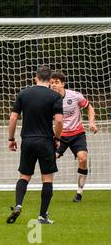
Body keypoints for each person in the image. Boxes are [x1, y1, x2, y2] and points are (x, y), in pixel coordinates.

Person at [7, 65, 63, 224]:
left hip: (28, 140)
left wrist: (11, 139)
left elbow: (13, 118)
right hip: (46, 141)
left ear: (35, 78)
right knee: (47, 178)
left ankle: (18, 205)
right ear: (51, 80)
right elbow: (59, 120)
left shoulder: (24, 94)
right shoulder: (55, 96)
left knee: (24, 176)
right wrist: (57, 138)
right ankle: (42, 215)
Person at [50, 70, 98, 202]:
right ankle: (48, 190)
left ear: (63, 83)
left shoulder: (75, 96)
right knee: (50, 159)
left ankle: (79, 193)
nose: (53, 85)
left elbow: (89, 107)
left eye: (57, 82)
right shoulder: (48, 99)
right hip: (60, 136)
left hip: (77, 134)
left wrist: (92, 122)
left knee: (82, 159)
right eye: (51, 83)